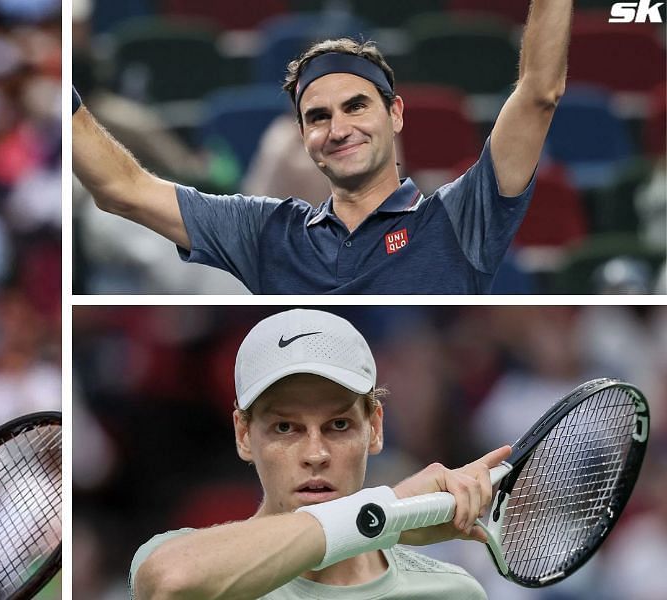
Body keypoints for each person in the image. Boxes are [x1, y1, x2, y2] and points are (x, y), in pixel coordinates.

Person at [73, 1, 574, 294]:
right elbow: (123, 189)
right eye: (318, 117)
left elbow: (539, 94)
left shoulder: (460, 218)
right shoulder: (266, 229)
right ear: (303, 136)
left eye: (356, 107)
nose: (338, 129)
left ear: (395, 114)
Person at [130, 309, 510, 598]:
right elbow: (169, 582)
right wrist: (383, 511)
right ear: (244, 435)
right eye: (285, 427)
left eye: (339, 425)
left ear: (374, 428)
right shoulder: (178, 559)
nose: (315, 453)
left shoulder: (452, 592)